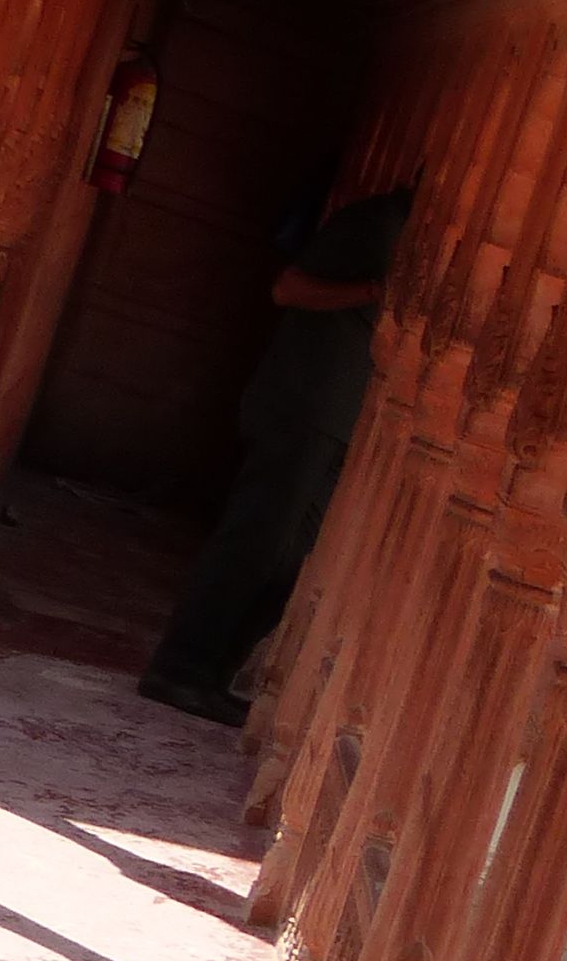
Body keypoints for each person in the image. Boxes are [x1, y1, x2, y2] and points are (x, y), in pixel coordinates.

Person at [138, 181, 416, 723]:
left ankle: (210, 675)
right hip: (302, 407)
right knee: (254, 543)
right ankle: (178, 669)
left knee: (290, 558)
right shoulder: (378, 224)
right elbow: (289, 288)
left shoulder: (418, 236)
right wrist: (374, 291)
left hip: (338, 421)